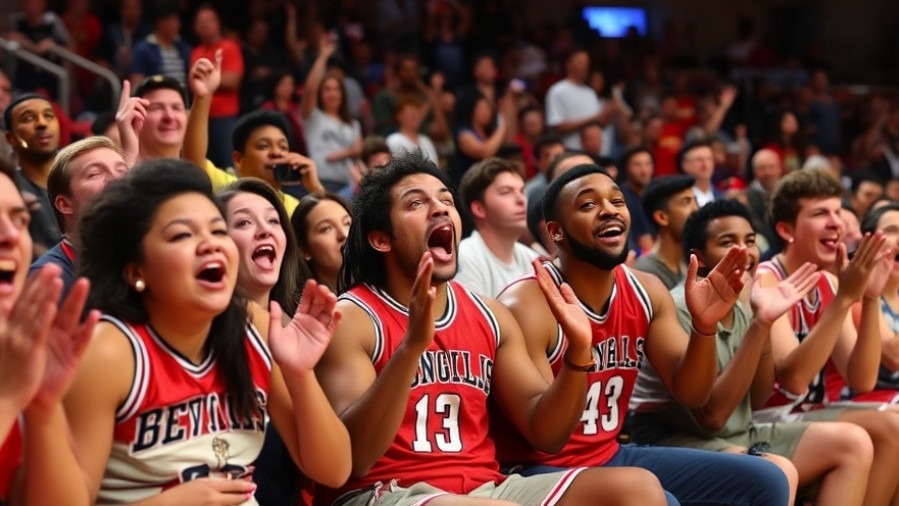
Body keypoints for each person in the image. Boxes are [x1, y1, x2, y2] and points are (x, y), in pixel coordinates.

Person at [315, 151, 668, 505]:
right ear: (381, 239)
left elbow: (546, 435)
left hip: (485, 488)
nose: (439, 209)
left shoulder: (490, 315)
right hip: (387, 491)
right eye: (416, 203)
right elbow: (356, 460)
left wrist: (578, 353)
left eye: (446, 200)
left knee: (638, 489)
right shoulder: (353, 318)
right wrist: (410, 349)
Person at [498, 164, 793, 505]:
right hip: (540, 469)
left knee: (767, 478)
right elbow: (546, 439)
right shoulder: (526, 304)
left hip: (609, 454)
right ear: (557, 231)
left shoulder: (646, 291)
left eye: (617, 201)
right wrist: (578, 354)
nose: (609, 209)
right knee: (660, 498)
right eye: (588, 204)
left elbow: (693, 394)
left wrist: (704, 327)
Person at [64, 158, 351, 504]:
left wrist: (299, 374)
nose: (211, 244)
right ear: (135, 269)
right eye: (183, 234)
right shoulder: (110, 351)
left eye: (217, 231)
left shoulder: (254, 325)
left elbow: (333, 469)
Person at [631, 199, 874, 505]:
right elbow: (712, 418)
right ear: (699, 257)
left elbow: (757, 398)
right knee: (775, 470)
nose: (744, 251)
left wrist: (764, 321)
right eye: (727, 242)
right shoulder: (680, 306)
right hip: (677, 439)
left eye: (749, 240)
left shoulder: (745, 303)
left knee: (853, 443)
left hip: (735, 433)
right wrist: (761, 324)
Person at [756, 168, 899, 505]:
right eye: (820, 213)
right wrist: (844, 301)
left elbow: (861, 379)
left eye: (838, 211)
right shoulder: (765, 282)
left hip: (809, 412)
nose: (837, 222)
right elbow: (793, 379)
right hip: (764, 419)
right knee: (891, 431)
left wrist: (869, 296)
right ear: (786, 229)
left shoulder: (829, 283)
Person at [0, 155, 101, 505]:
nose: (11, 236)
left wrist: (44, 405)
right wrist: (10, 398)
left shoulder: (20, 354)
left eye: (19, 219)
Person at [218, 177, 314, 506]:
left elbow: (333, 467)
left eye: (274, 220)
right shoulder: (203, 335)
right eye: (244, 222)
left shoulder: (307, 328)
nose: (265, 230)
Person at [184, 55, 325, 215]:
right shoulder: (227, 186)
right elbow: (194, 164)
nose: (276, 152)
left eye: (283, 146)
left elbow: (332, 230)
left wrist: (316, 189)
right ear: (238, 160)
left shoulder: (294, 206)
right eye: (264, 146)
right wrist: (203, 97)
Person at [31, 137, 129, 298]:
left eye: (122, 171)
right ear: (64, 204)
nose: (116, 179)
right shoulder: (49, 280)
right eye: (95, 174)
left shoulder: (142, 264)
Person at [456, 158, 539, 297]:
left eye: (522, 191)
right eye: (506, 192)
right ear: (479, 208)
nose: (521, 200)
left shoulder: (532, 258)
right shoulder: (464, 259)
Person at [302, 35, 363, 196]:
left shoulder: (353, 124)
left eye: (336, 89)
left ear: (342, 94)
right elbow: (309, 90)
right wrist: (323, 56)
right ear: (320, 94)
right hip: (321, 182)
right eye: (327, 89)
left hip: (348, 185)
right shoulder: (314, 117)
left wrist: (346, 154)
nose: (332, 94)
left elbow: (358, 152)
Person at [4, 93, 63, 257]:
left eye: (49, 116)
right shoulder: (9, 191)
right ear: (10, 138)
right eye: (28, 118)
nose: (42, 124)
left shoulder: (80, 177)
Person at [190, 3, 244, 169]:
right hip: (201, 116)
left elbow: (233, 79)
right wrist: (215, 75)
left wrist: (209, 78)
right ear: (195, 27)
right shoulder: (195, 52)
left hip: (224, 118)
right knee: (201, 165)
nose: (206, 25)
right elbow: (193, 83)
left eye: (210, 20)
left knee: (227, 166)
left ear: (218, 24)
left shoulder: (229, 47)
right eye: (201, 22)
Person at [545, 48, 619, 151]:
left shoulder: (590, 92)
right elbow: (556, 126)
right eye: (580, 62)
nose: (585, 66)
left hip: (594, 152)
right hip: (569, 150)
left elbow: (597, 123)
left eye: (587, 62)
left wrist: (608, 115)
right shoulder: (558, 91)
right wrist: (593, 119)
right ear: (568, 64)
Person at [634, 175, 698, 289]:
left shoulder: (689, 261)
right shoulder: (645, 273)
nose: (696, 209)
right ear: (662, 217)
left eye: (695, 201)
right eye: (686, 202)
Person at [291, 193, 353, 293]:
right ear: (303, 249)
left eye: (347, 223)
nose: (344, 234)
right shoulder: (300, 306)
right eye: (327, 229)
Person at [129, 1, 191, 87]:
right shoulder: (143, 49)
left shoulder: (183, 47)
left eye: (177, 20)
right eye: (172, 19)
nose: (177, 24)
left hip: (182, 97)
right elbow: (137, 83)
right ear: (160, 22)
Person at [619, 146, 655, 255]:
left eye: (648, 164)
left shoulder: (656, 194)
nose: (644, 170)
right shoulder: (622, 197)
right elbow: (645, 243)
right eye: (637, 165)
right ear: (627, 168)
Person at [386, 96, 439, 165]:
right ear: (399, 117)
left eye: (417, 114)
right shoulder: (394, 140)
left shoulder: (426, 140)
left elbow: (436, 165)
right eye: (411, 113)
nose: (415, 117)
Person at [678, 139, 722, 207]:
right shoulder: (680, 199)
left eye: (709, 159)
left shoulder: (723, 197)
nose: (705, 165)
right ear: (685, 165)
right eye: (699, 160)